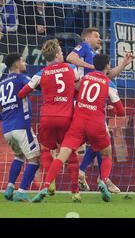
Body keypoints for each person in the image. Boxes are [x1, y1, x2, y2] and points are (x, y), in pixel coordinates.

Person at [32, 54, 127, 203]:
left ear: (94, 65)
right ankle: (103, 179)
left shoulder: (84, 79)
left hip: (78, 122)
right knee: (107, 153)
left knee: (62, 155)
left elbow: (74, 91)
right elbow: (121, 112)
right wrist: (109, 108)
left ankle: (45, 186)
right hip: (96, 123)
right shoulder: (109, 83)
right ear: (108, 66)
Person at [67, 27, 131, 193]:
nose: (100, 39)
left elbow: (108, 75)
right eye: (96, 36)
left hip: (93, 102)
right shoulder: (85, 48)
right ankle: (103, 179)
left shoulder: (96, 58)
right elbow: (70, 57)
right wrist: (92, 66)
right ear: (87, 38)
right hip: (85, 103)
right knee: (103, 142)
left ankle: (85, 173)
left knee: (97, 142)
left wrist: (124, 63)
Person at [18, 39, 83, 201]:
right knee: (70, 154)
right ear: (56, 54)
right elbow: (79, 86)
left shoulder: (41, 73)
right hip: (67, 117)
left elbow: (22, 93)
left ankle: (51, 180)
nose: (63, 54)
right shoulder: (71, 68)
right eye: (61, 52)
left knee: (46, 150)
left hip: (47, 117)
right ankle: (75, 192)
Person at [0, 53, 40, 202]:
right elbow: (35, 84)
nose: (24, 63)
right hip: (21, 126)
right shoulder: (22, 78)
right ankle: (21, 191)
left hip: (7, 129)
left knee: (19, 156)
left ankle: (10, 188)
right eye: (22, 61)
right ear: (16, 64)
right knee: (35, 159)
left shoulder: (1, 83)